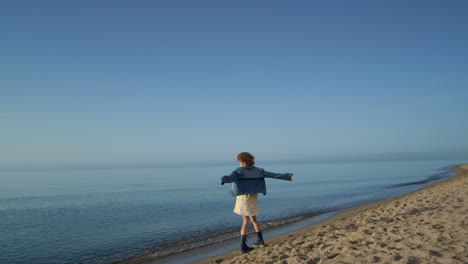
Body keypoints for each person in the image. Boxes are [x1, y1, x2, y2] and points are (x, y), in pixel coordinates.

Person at [221, 152, 293, 253]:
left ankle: (243, 246)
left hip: (243, 198)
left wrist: (223, 179)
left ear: (242, 161)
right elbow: (272, 174)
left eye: (239, 161)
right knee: (254, 219)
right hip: (253, 197)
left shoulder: (239, 170)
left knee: (245, 221)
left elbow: (230, 177)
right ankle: (260, 240)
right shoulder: (258, 170)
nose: (239, 162)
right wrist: (287, 176)